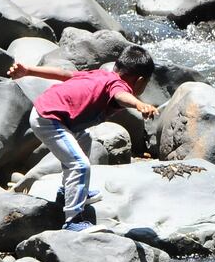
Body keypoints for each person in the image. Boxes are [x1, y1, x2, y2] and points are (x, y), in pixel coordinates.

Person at [8, 45, 160, 231]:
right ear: (140, 81)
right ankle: (73, 220)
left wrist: (29, 70)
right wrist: (139, 104)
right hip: (50, 119)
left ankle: (68, 192)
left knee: (84, 139)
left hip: (53, 113)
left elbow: (64, 74)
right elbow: (121, 95)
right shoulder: (119, 85)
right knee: (79, 164)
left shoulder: (101, 75)